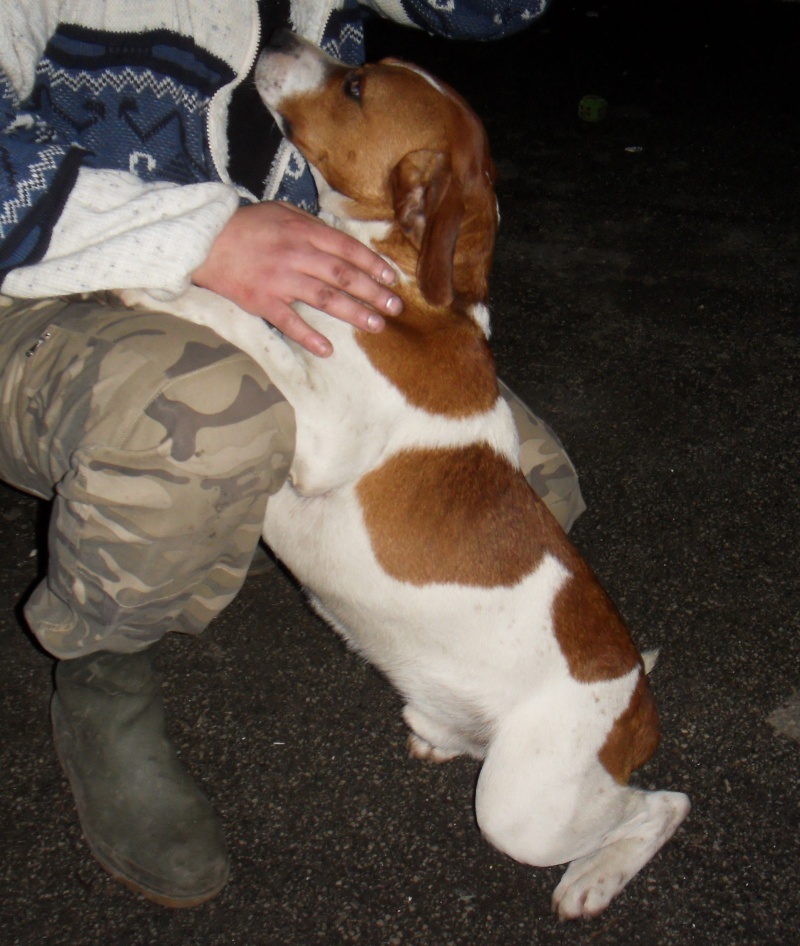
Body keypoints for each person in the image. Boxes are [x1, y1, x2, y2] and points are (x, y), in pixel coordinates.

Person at [0, 0, 584, 908]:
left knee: (531, 485)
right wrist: (199, 236)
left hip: (296, 271)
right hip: (53, 276)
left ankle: (477, 703)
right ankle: (100, 666)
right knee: (213, 426)